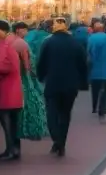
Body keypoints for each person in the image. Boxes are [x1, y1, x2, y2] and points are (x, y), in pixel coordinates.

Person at [37, 16, 88, 157]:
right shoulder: (75, 43)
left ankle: (56, 139)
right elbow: (83, 64)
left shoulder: (48, 43)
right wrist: (83, 83)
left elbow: (41, 63)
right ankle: (62, 143)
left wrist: (41, 76)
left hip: (52, 83)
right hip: (70, 85)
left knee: (51, 113)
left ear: (53, 27)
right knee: (65, 114)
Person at [0, 20, 23, 160]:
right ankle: (13, 149)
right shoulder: (6, 45)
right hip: (10, 90)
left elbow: (3, 67)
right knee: (11, 122)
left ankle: (11, 150)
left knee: (6, 121)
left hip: (5, 90)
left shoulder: (4, 47)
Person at [12, 22, 47, 141]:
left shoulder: (13, 41)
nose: (26, 32)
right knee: (30, 102)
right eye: (24, 30)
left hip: (18, 76)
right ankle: (31, 128)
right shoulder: (21, 43)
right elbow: (27, 65)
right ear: (18, 30)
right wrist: (31, 73)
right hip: (25, 77)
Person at [86, 20, 106, 119]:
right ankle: (105, 105)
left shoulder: (91, 38)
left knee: (95, 89)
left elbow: (88, 53)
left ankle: (95, 106)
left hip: (95, 69)